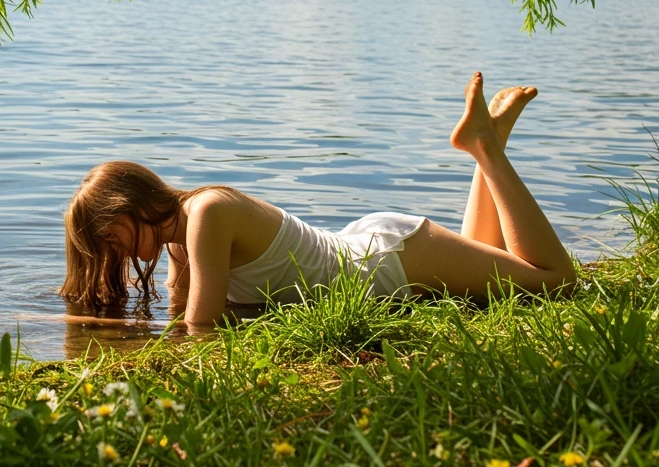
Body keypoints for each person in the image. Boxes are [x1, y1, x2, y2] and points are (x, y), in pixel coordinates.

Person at [60, 73, 577, 331]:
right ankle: (491, 142)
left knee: (555, 281)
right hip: (375, 252)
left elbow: (199, 329)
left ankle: (485, 149)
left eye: (107, 236)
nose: (109, 251)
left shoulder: (206, 215)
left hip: (388, 263)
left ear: (129, 207)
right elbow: (182, 313)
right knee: (487, 253)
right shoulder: (182, 242)